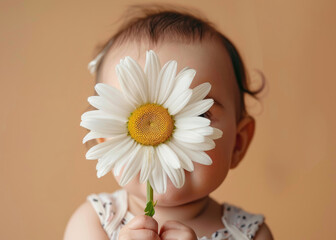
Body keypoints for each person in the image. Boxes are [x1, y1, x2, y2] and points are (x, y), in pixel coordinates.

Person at [64, 4, 273, 240]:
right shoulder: (94, 222)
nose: (166, 139)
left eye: (199, 115)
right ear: (104, 141)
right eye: (137, 115)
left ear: (237, 142)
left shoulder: (251, 234)